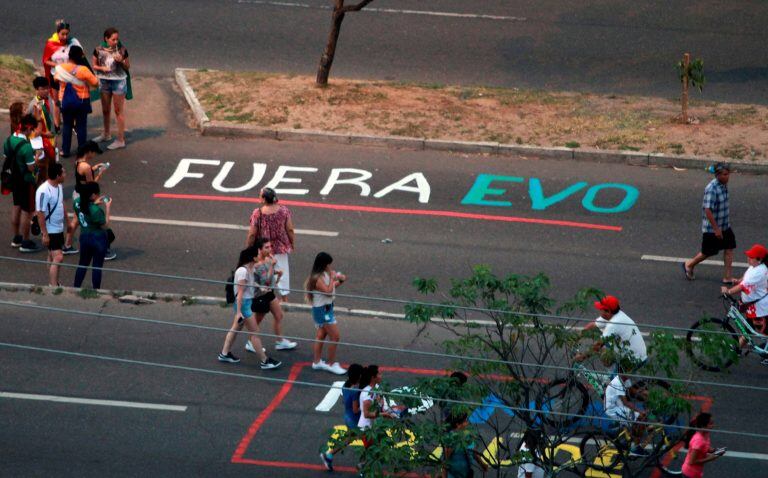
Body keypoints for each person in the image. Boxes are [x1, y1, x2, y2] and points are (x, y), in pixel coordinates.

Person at [218, 246, 282, 370]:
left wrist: (261, 288)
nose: (260, 254)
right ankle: (265, 361)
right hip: (244, 306)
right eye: (258, 253)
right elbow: (240, 293)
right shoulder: (243, 271)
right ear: (253, 257)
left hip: (246, 304)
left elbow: (250, 284)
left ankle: (224, 354)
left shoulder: (250, 268)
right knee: (255, 333)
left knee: (235, 329)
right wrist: (238, 313)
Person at [683, 163, 736, 283]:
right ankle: (689, 265)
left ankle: (727, 277)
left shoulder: (723, 185)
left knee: (729, 248)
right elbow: (708, 210)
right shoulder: (711, 189)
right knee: (708, 252)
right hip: (713, 228)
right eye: (725, 174)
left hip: (725, 226)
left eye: (728, 174)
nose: (728, 177)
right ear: (717, 175)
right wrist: (716, 229)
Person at [246, 238, 298, 351]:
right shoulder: (257, 265)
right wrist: (272, 267)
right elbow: (266, 281)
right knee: (257, 321)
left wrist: (276, 273)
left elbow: (270, 280)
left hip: (269, 294)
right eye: (267, 247)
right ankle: (250, 343)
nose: (270, 249)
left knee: (279, 315)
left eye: (270, 247)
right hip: (260, 296)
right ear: (259, 249)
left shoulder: (267, 260)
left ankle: (280, 341)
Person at [245, 187, 295, 302]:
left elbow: (252, 234)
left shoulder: (257, 213)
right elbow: (290, 230)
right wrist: (292, 243)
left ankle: (264, 297)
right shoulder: (284, 211)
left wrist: (249, 248)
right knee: (283, 274)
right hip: (280, 247)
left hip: (264, 249)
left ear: (263, 199)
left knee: (264, 272)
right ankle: (284, 299)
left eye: (260, 195)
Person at [721, 243, 768, 360]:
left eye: (751, 257)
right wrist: (738, 280)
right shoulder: (755, 267)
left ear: (759, 259)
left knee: (763, 332)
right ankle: (737, 349)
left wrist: (729, 292)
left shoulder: (759, 272)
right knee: (747, 328)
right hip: (753, 307)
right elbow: (745, 278)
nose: (748, 258)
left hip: (760, 310)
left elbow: (744, 286)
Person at [575, 296, 648, 370]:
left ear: (608, 311)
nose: (599, 310)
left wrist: (582, 357)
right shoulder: (614, 315)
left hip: (634, 359)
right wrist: (575, 338)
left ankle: (615, 378)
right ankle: (614, 372)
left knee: (615, 379)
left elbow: (597, 346)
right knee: (601, 343)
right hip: (631, 351)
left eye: (601, 309)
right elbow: (592, 325)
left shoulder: (613, 324)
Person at [5, 113, 42, 252]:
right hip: (26, 181)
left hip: (13, 179)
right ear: (28, 128)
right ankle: (26, 242)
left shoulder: (9, 140)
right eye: (31, 130)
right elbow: (31, 167)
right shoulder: (26, 147)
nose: (31, 133)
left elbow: (7, 157)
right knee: (28, 211)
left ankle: (16, 238)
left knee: (16, 206)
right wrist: (37, 157)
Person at [305, 251, 347, 375]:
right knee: (335, 337)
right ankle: (331, 363)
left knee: (321, 335)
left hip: (326, 308)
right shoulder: (317, 278)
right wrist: (333, 278)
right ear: (324, 264)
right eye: (329, 264)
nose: (330, 266)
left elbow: (332, 287)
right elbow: (328, 291)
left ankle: (317, 362)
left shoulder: (324, 274)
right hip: (322, 310)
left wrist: (341, 281)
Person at [54, 45, 98, 158]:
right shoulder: (83, 70)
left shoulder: (60, 68)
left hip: (65, 101)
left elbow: (55, 79)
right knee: (81, 126)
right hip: (81, 101)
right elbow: (95, 83)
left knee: (67, 125)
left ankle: (65, 150)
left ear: (69, 56)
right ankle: (82, 151)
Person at [63, 140, 105, 255]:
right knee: (89, 221)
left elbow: (83, 175)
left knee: (76, 221)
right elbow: (92, 186)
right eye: (94, 153)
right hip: (84, 196)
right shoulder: (86, 166)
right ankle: (71, 245)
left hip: (77, 192)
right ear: (89, 152)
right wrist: (100, 174)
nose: (94, 155)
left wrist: (95, 167)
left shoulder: (78, 161)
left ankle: (67, 245)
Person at [92, 27, 131, 150]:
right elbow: (94, 65)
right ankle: (106, 134)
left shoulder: (122, 50)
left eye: (117, 39)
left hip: (118, 82)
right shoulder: (98, 50)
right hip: (104, 81)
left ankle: (120, 139)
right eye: (113, 39)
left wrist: (122, 61)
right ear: (106, 39)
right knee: (105, 109)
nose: (116, 42)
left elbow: (128, 67)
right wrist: (102, 69)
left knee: (118, 111)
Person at [320, 363, 364, 471]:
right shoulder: (355, 391)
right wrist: (366, 408)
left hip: (347, 416)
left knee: (349, 438)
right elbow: (355, 409)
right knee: (370, 440)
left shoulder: (346, 385)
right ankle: (363, 463)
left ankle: (329, 455)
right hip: (355, 419)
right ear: (358, 376)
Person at [42, 20, 82, 126]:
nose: (64, 37)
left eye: (66, 34)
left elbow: (80, 55)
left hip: (69, 76)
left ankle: (72, 123)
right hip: (56, 75)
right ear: (57, 32)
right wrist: (57, 65)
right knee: (56, 102)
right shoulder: (51, 44)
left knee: (70, 100)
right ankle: (57, 124)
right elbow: (46, 60)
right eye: (62, 34)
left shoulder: (73, 42)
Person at [72, 182, 110, 289]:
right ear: (93, 195)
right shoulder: (96, 211)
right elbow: (105, 225)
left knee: (82, 264)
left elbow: (84, 208)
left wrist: (94, 203)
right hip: (98, 238)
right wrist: (107, 208)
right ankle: (96, 290)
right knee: (97, 266)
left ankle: (76, 287)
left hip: (84, 236)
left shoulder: (76, 203)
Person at [35, 163, 67, 286]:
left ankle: (53, 282)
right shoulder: (43, 191)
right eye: (63, 173)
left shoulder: (58, 186)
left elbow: (61, 202)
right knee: (59, 257)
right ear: (57, 176)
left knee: (51, 255)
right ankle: (53, 286)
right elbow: (40, 213)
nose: (65, 175)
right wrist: (45, 234)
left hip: (58, 227)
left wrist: (67, 221)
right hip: (50, 229)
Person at [603, 370, 647, 456]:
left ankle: (625, 436)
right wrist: (640, 411)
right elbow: (626, 403)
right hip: (612, 409)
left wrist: (645, 396)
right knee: (640, 418)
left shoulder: (625, 379)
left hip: (616, 403)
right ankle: (635, 448)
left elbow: (632, 391)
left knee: (635, 418)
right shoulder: (617, 382)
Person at [26, 76, 58, 176]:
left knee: (52, 166)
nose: (46, 91)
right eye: (42, 89)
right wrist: (45, 134)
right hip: (41, 141)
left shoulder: (49, 98)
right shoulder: (33, 105)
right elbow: (29, 127)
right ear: (36, 89)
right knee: (43, 169)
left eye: (47, 88)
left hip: (52, 138)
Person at [441, 412, 488, 478]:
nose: (467, 423)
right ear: (458, 424)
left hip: (466, 473)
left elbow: (474, 452)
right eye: (465, 421)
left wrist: (482, 464)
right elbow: (446, 462)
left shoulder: (468, 435)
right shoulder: (451, 439)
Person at [682, 413, 725, 478]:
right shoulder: (698, 441)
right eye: (710, 424)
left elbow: (705, 447)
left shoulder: (706, 434)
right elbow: (692, 461)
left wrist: (715, 450)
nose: (713, 426)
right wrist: (710, 458)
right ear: (702, 426)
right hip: (690, 474)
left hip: (697, 473)